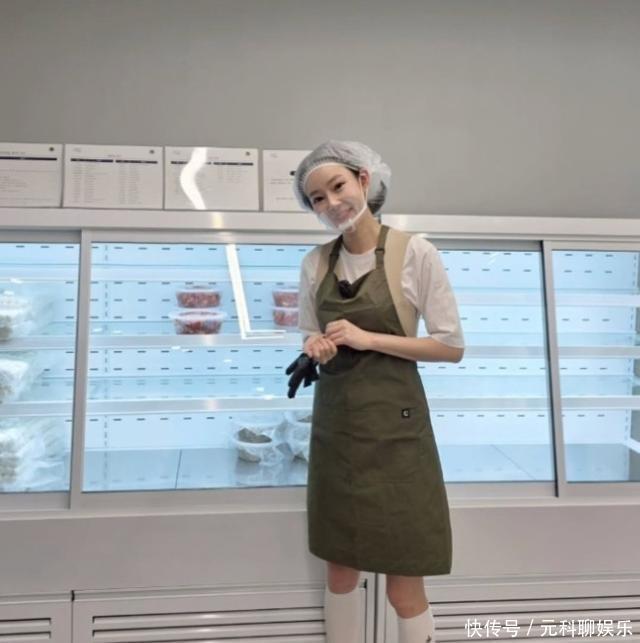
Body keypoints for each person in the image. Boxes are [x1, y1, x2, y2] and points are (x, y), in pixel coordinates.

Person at [293, 140, 465, 643]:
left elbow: (451, 346)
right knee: (340, 572)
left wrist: (368, 339)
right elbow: (309, 332)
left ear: (364, 180)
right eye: (317, 199)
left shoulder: (414, 253)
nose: (331, 203)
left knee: (404, 583)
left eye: (338, 187)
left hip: (398, 437)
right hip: (338, 433)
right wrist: (317, 346)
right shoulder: (315, 264)